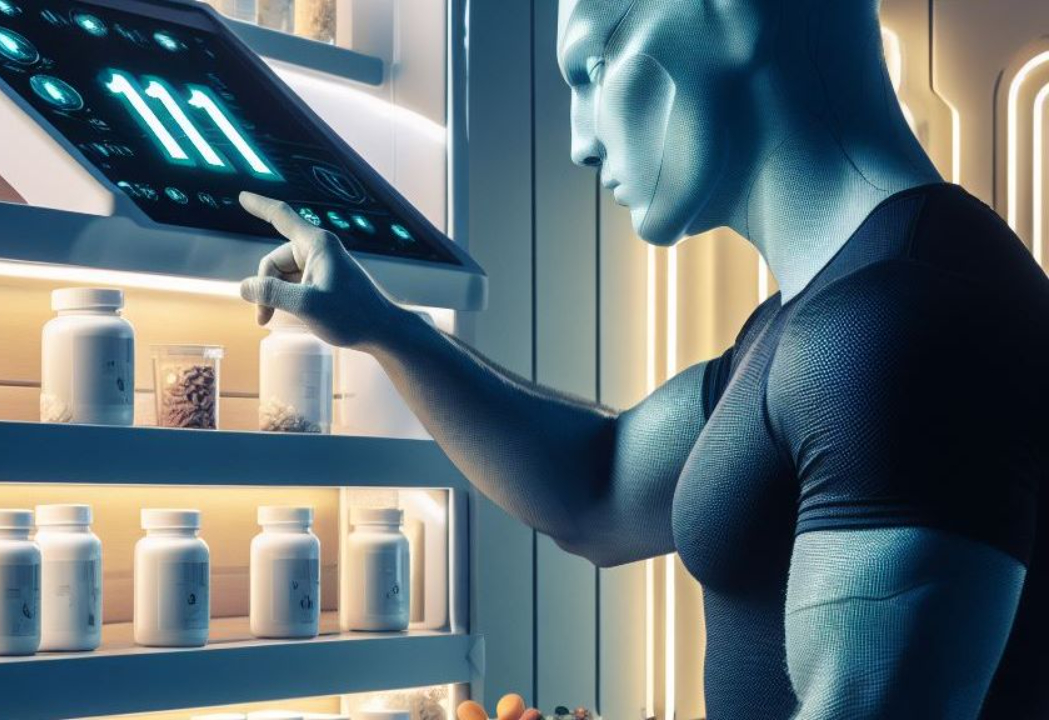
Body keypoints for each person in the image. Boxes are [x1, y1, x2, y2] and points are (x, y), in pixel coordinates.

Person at [237, 0, 1049, 717]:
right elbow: (597, 485)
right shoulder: (825, 318)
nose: (579, 142)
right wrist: (383, 326)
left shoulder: (903, 322)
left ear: (730, 12)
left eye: (594, 66)